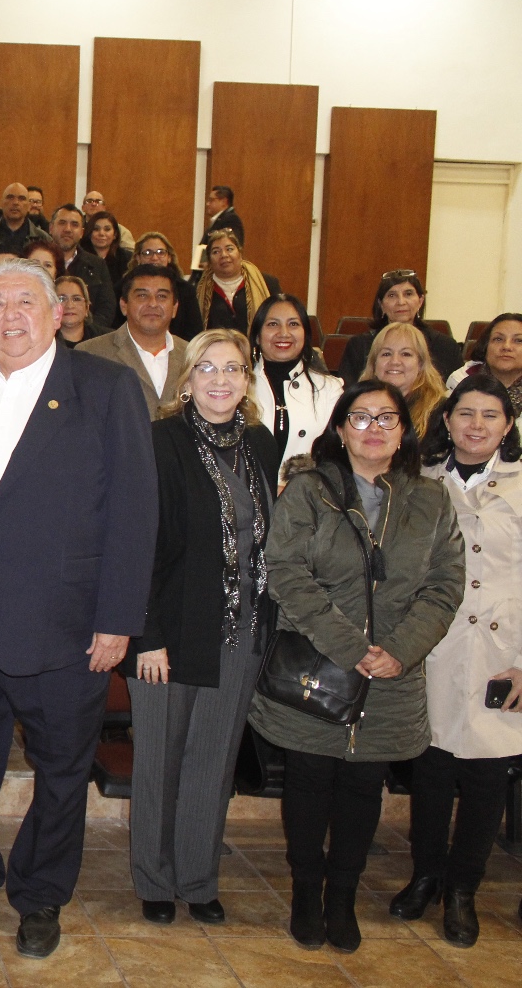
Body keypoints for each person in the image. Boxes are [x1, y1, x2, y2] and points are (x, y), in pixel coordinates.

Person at [0, 259, 156, 959]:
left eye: (26, 302)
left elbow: (135, 512)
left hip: (66, 625)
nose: (10, 316)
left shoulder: (106, 387)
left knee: (60, 773)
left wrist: (118, 618)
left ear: (57, 314)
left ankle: (40, 893)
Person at [246, 379, 463, 953]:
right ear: (340, 429)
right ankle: (305, 890)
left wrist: (400, 648)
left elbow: (445, 585)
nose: (372, 428)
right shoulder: (309, 491)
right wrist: (349, 645)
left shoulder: (431, 499)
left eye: (386, 418)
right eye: (360, 418)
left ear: (403, 431)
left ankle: (341, 896)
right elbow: (285, 571)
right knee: (311, 782)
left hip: (394, 672)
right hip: (319, 666)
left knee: (365, 787)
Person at [128, 329, 280, 928]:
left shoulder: (261, 445)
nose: (221, 380)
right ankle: (156, 879)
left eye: (234, 369)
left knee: (213, 763)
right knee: (160, 762)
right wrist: (147, 636)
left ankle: (198, 877)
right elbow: (137, 546)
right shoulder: (160, 441)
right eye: (208, 369)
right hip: (169, 631)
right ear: (186, 381)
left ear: (247, 381)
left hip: (239, 632)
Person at [393, 375, 522, 946]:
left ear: (508, 426)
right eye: (465, 413)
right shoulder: (419, 483)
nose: (476, 425)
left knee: (487, 776)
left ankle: (464, 889)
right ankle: (426, 874)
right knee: (433, 771)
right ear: (445, 421)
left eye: (490, 416)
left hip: (502, 655)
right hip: (435, 647)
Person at [250, 293, 343, 475]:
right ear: (257, 336)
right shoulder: (239, 386)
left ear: (305, 334)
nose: (283, 333)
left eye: (293, 324)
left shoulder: (330, 389)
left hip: (307, 497)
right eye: (272, 324)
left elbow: (337, 457)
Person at [78, 265, 187, 419]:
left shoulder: (193, 355)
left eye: (162, 296)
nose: (153, 303)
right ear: (124, 305)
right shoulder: (90, 353)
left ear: (175, 308)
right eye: (142, 296)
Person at [338, 270, 466, 382]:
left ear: (420, 301)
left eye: (408, 294)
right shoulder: (359, 346)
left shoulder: (446, 347)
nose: (401, 302)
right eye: (392, 295)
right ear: (381, 304)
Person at [361, 321, 447, 438]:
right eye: (386, 354)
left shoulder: (439, 411)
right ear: (374, 364)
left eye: (406, 354)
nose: (395, 361)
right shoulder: (357, 406)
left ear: (420, 364)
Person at [196, 229, 279, 334]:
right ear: (209, 260)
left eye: (229, 249)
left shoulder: (267, 283)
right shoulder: (197, 291)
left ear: (240, 253)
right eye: (216, 252)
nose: (224, 255)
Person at [48, 203, 118, 328]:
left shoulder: (97, 265)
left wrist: (85, 334)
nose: (68, 229)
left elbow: (107, 308)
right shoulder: (36, 261)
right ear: (51, 228)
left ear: (81, 232)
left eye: (74, 224)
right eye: (62, 223)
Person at [123, 232, 204, 340]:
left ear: (169, 257)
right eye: (147, 253)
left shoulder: (186, 290)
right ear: (138, 258)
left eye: (161, 252)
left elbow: (195, 332)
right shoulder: (123, 287)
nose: (155, 258)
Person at [448, 312, 522, 414]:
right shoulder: (460, 382)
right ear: (485, 345)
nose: (506, 346)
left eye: (518, 340)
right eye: (498, 339)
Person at [80, 210, 132, 292]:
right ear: (89, 233)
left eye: (107, 229)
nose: (101, 233)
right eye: (96, 229)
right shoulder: (79, 257)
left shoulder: (127, 259)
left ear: (115, 234)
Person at [55, 275, 110, 349]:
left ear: (87, 307)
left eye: (76, 299)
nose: (69, 306)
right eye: (61, 299)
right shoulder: (42, 341)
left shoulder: (106, 340)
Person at [200, 186, 244, 252]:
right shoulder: (220, 219)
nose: (207, 204)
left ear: (224, 202)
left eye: (211, 200)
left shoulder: (231, 220)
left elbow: (230, 246)